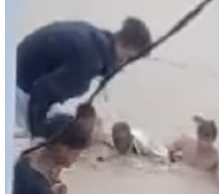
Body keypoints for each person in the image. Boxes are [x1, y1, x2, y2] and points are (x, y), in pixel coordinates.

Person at [16, 17, 152, 137]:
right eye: (129, 58)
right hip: (15, 88)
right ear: (123, 44)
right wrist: (38, 134)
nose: (125, 64)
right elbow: (42, 91)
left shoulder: (94, 36)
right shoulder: (89, 61)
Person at [169, 116, 219, 194]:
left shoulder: (215, 156)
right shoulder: (187, 142)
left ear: (214, 140)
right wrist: (171, 159)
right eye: (201, 139)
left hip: (201, 176)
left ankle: (203, 121)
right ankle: (201, 122)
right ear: (198, 136)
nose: (203, 143)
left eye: (207, 140)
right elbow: (172, 147)